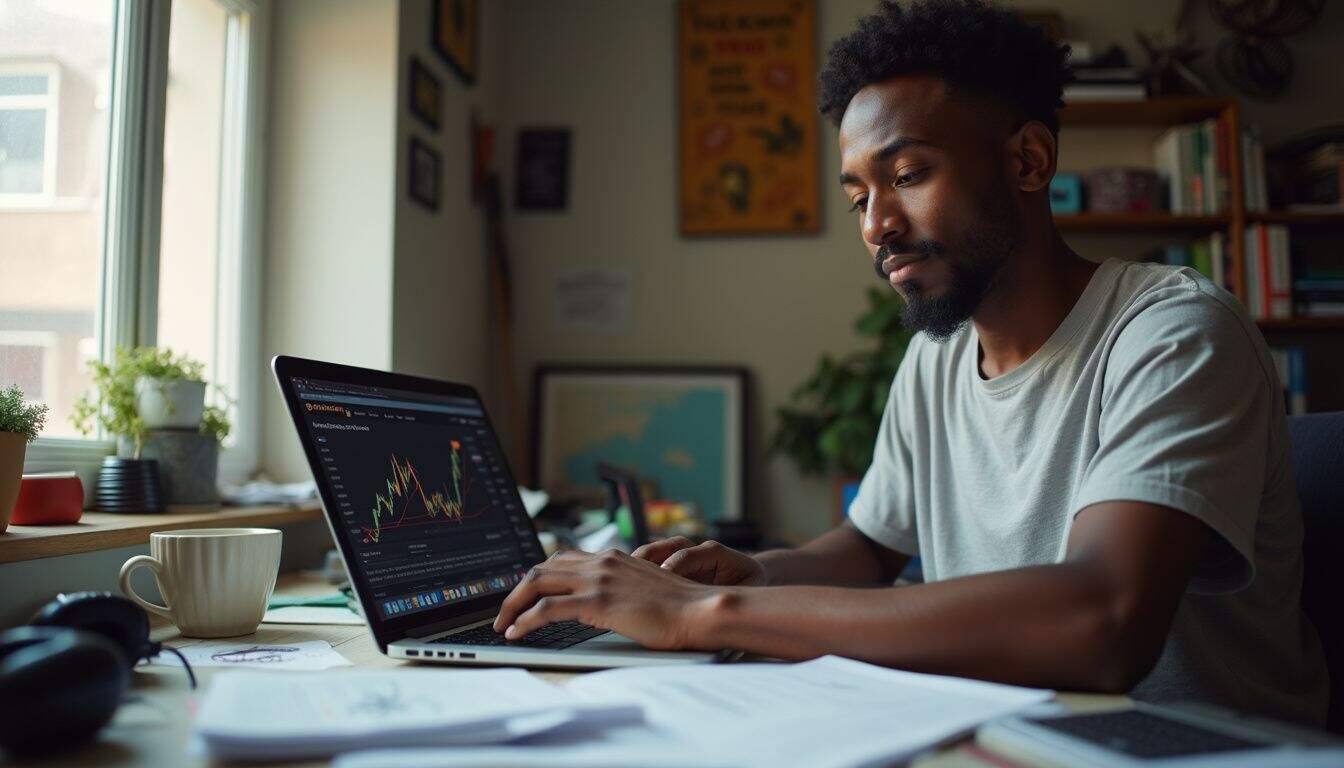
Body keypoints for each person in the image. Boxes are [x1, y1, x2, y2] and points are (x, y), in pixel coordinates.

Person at [493, 0, 1327, 725]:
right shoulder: (936, 358)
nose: (875, 224)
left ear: (1029, 161)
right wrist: (750, 571)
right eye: (859, 195)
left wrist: (706, 613)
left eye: (909, 174)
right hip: (1005, 728)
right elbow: (864, 550)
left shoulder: (1170, 333)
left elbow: (1104, 620)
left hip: (1186, 748)